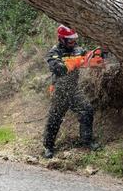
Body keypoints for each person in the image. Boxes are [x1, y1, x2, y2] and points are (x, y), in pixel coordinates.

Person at [42, 25, 103, 159]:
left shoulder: (78, 49)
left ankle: (87, 141)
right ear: (62, 39)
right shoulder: (54, 53)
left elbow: (88, 57)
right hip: (60, 90)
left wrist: (97, 55)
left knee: (87, 110)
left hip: (74, 89)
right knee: (54, 119)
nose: (73, 43)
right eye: (70, 41)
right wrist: (76, 62)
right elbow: (59, 69)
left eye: (74, 40)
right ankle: (48, 147)